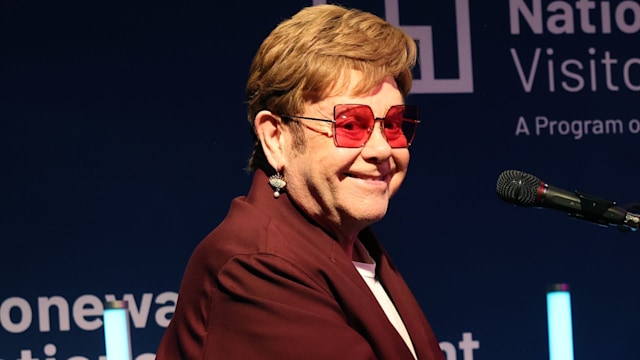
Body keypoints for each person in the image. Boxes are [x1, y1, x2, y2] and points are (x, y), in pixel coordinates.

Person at [156, 4, 444, 359]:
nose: (382, 150)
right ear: (276, 137)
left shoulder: (354, 245)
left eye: (394, 125)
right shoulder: (253, 267)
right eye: (351, 125)